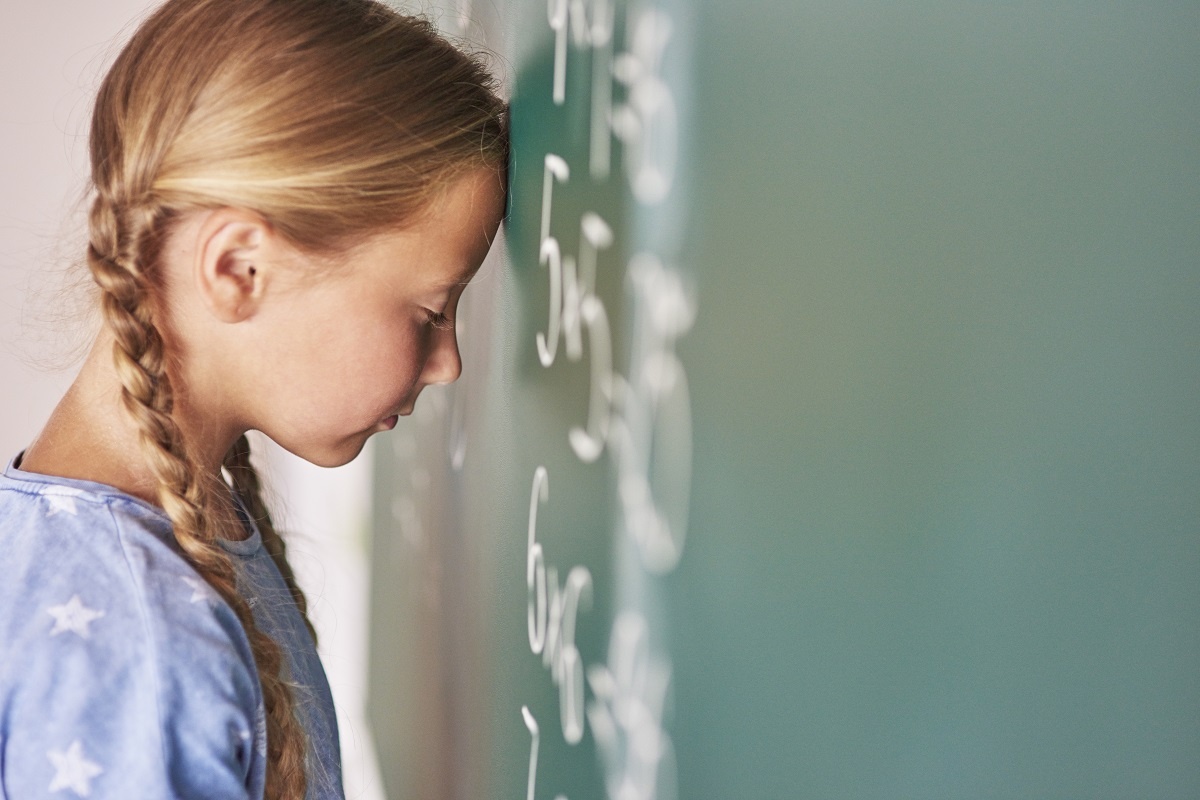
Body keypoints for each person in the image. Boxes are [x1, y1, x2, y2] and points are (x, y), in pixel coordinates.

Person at [0, 0, 508, 797]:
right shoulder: (143, 643)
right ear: (240, 269)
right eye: (431, 312)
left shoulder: (113, 542)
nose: (447, 362)